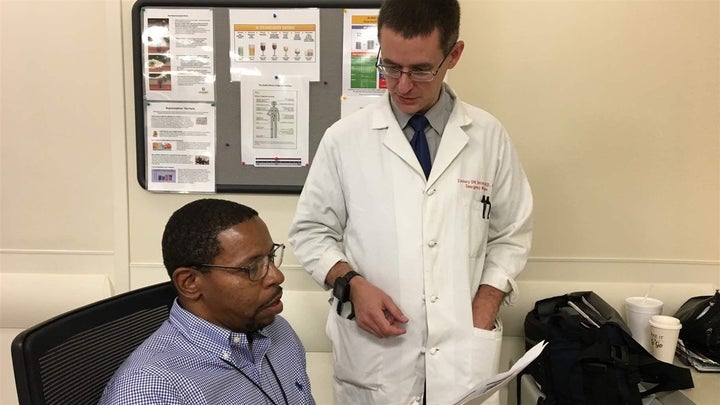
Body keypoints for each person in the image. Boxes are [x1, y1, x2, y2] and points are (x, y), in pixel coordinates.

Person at [288, 0, 533, 403]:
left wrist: (484, 308)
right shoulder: (344, 139)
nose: (402, 85)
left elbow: (512, 234)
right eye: (391, 66)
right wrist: (352, 284)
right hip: (376, 359)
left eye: (420, 69)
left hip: (461, 357)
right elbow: (311, 231)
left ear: (453, 55)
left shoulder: (488, 137)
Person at [100, 199, 315, 405]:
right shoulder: (149, 390)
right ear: (190, 283)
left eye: (271, 257)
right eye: (253, 267)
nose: (276, 276)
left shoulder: (278, 331)